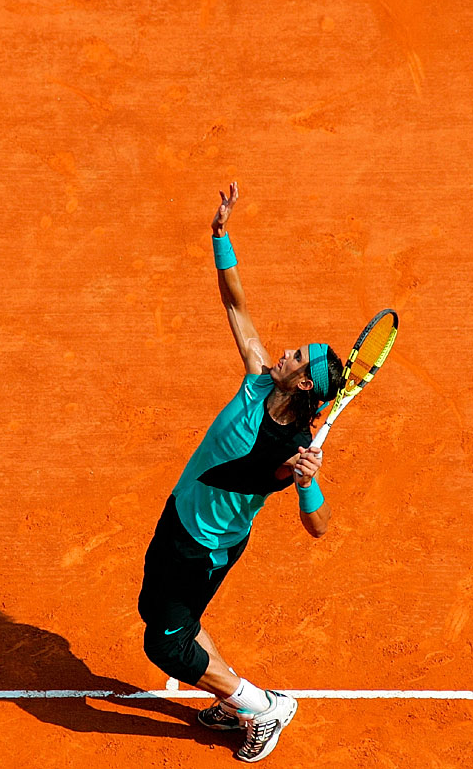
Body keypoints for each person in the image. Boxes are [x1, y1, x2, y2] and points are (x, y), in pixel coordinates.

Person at [137, 181, 343, 763]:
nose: (285, 352)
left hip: (205, 546)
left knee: (167, 647)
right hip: (179, 517)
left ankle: (260, 706)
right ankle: (238, 699)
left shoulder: (295, 449)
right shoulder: (257, 377)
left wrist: (306, 484)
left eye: (298, 357)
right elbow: (236, 305)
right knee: (161, 614)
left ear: (304, 383)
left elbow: (321, 527)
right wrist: (221, 236)